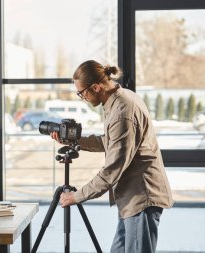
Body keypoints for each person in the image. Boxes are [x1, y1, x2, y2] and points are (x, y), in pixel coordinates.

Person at [51, 60, 174, 253]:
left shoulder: (122, 112)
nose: (82, 98)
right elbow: (110, 142)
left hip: (141, 198)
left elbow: (111, 170)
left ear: (96, 87)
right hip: (130, 199)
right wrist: (75, 141)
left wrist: (76, 196)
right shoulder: (118, 100)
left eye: (81, 93)